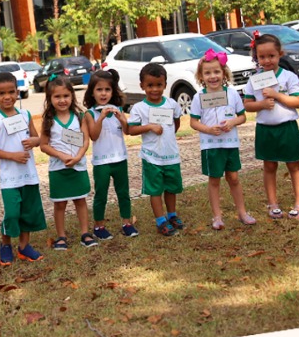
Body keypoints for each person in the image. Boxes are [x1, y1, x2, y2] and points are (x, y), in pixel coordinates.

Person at [242, 33, 299, 219]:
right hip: (265, 129)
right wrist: (262, 104)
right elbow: (247, 105)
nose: (267, 60)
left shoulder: (288, 77)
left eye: (271, 56)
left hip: (287, 128)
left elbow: (298, 101)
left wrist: (277, 95)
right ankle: (272, 204)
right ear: (257, 58)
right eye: (262, 57)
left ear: (280, 54)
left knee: (294, 165)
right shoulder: (254, 80)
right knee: (269, 166)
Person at [189, 49, 256, 230]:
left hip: (230, 144)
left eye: (217, 71)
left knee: (233, 178)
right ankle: (217, 216)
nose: (213, 76)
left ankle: (242, 212)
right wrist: (208, 129)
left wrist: (233, 122)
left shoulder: (232, 94)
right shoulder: (198, 97)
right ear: (201, 76)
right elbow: (194, 122)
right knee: (214, 179)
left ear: (224, 73)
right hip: (211, 146)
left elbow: (242, 116)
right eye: (208, 73)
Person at [0, 71, 45, 264]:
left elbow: (38, 138)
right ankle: (5, 244)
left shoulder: (25, 114)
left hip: (28, 175)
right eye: (1, 93)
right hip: (10, 177)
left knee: (28, 212)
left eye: (11, 92)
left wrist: (34, 141)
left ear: (17, 92)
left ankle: (24, 247)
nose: (7, 96)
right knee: (12, 213)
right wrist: (12, 156)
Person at [126, 62, 186, 236]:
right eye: (150, 85)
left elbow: (176, 122)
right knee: (156, 189)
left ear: (165, 85)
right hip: (152, 157)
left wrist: (168, 136)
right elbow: (130, 130)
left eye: (159, 85)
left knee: (171, 187)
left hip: (171, 155)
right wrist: (149, 127)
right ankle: (161, 220)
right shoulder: (139, 108)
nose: (155, 89)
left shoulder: (172, 104)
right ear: (142, 86)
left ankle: (172, 215)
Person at [39, 76, 97, 249]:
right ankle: (61, 236)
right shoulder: (48, 121)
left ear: (72, 96)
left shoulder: (80, 117)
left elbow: (85, 140)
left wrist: (78, 157)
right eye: (57, 97)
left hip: (78, 168)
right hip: (58, 169)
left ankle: (85, 233)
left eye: (66, 96)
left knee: (80, 201)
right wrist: (61, 156)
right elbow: (43, 145)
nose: (62, 100)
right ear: (50, 99)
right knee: (60, 204)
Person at [84, 70, 136, 239]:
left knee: (123, 193)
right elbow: (93, 135)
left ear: (113, 91)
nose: (103, 93)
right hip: (101, 162)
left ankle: (127, 223)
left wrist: (122, 119)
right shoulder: (90, 113)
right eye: (99, 90)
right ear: (92, 92)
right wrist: (101, 118)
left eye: (107, 89)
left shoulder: (118, 109)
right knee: (101, 194)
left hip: (120, 158)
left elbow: (127, 131)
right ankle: (99, 226)